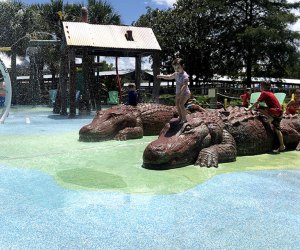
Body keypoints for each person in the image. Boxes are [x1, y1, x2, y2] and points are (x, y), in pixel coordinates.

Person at [246, 81, 285, 153]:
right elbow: (268, 103)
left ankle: (270, 117)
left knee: (258, 108)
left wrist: (249, 109)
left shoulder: (264, 93)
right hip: (279, 112)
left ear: (263, 87)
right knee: (277, 129)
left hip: (274, 112)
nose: (260, 87)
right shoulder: (270, 93)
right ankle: (282, 145)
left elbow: (257, 102)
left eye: (260, 86)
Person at [157, 58, 191, 123]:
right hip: (178, 93)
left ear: (182, 66)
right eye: (175, 68)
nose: (176, 69)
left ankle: (184, 118)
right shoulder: (176, 74)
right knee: (177, 105)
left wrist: (179, 94)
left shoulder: (185, 76)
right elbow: (169, 77)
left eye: (178, 67)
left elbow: (185, 86)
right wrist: (161, 76)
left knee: (181, 104)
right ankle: (180, 117)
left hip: (185, 93)